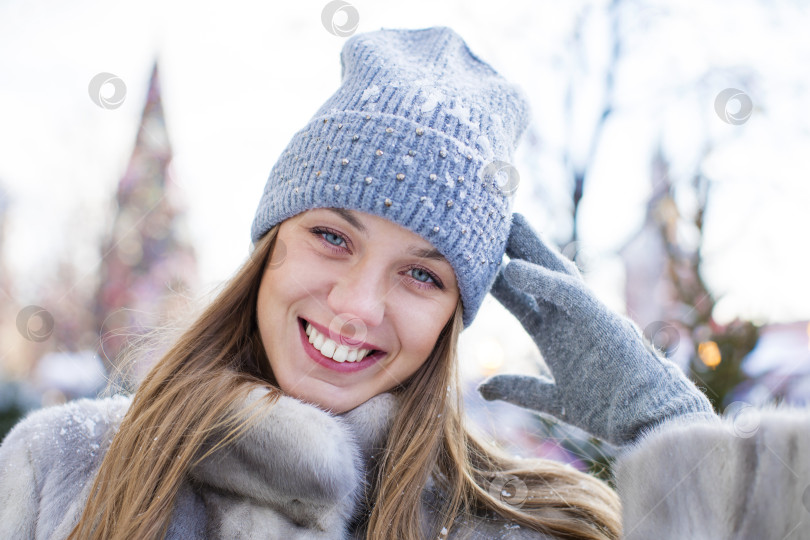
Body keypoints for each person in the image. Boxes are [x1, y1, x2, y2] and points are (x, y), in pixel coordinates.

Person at [1, 26, 809, 540]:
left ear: (458, 314)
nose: (356, 305)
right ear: (268, 248)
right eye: (330, 236)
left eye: (423, 274)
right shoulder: (63, 473)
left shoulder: (523, 530)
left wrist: (670, 429)